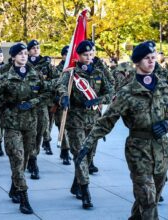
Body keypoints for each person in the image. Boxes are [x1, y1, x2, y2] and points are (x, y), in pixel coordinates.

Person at [75, 41, 168, 218]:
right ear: (137, 62)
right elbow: (106, 121)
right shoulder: (127, 93)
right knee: (148, 199)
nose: (151, 61)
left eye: (153, 58)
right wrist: (87, 144)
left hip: (162, 150)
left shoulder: (165, 89)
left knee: (150, 198)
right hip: (138, 150)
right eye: (146, 58)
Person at [0, 43, 52, 214]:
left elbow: (48, 92)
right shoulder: (5, 78)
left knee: (26, 158)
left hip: (30, 125)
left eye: (25, 53)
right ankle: (23, 197)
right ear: (13, 57)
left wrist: (33, 102)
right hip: (12, 125)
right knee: (17, 159)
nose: (23, 56)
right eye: (20, 54)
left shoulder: (36, 75)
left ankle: (14, 187)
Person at [56, 40, 113, 209]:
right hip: (75, 119)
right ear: (78, 56)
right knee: (80, 154)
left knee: (88, 156)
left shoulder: (99, 72)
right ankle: (86, 191)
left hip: (94, 120)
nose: (89, 58)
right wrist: (63, 97)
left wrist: (98, 99)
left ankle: (77, 183)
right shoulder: (72, 73)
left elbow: (110, 92)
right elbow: (59, 86)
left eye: (91, 54)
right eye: (85, 55)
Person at [26, 39, 58, 179]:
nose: (36, 49)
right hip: (26, 104)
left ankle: (33, 157)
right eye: (33, 48)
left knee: (40, 131)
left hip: (41, 103)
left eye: (38, 47)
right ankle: (29, 158)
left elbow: (57, 79)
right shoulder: (22, 63)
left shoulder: (47, 65)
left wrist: (44, 84)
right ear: (28, 50)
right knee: (28, 133)